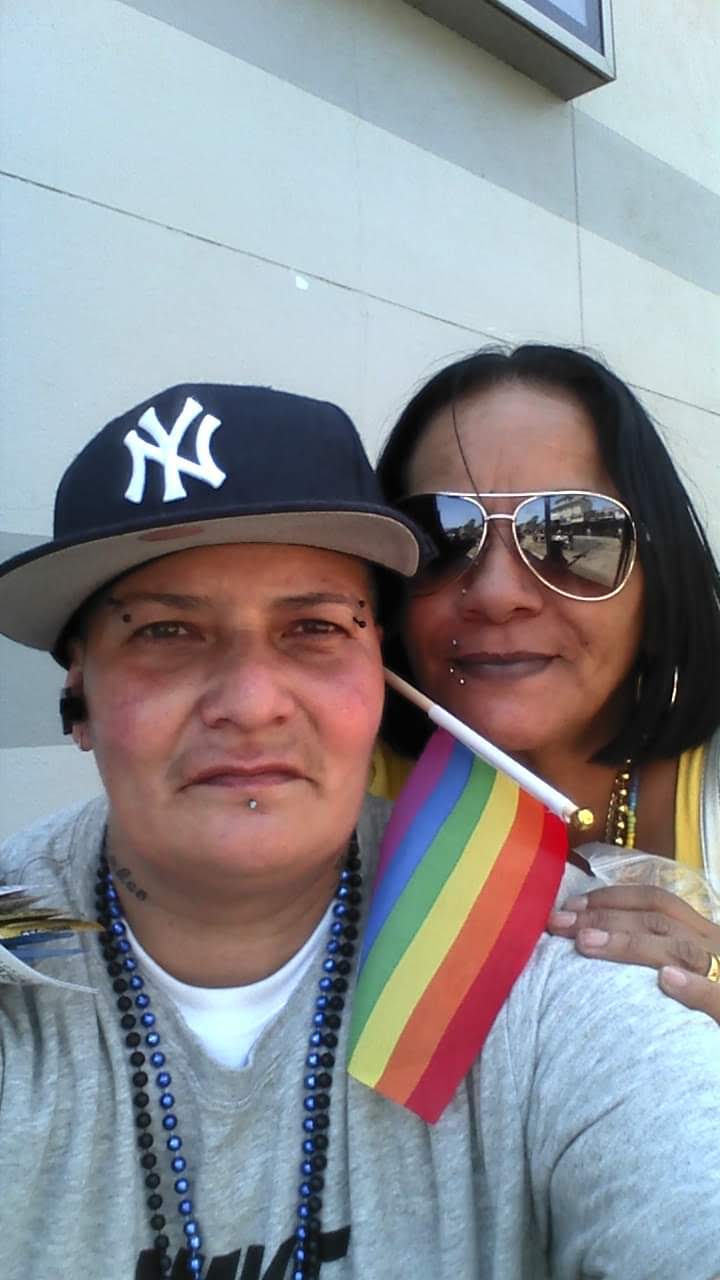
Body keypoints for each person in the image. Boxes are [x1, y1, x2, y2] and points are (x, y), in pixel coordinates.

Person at [0, 381, 719, 1280]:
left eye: (313, 626)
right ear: (78, 693)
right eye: (166, 631)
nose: (253, 705)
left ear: (374, 664)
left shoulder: (550, 946)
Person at [375, 342, 720, 1026]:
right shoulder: (332, 796)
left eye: (572, 534)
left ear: (657, 575)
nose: (498, 596)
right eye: (442, 537)